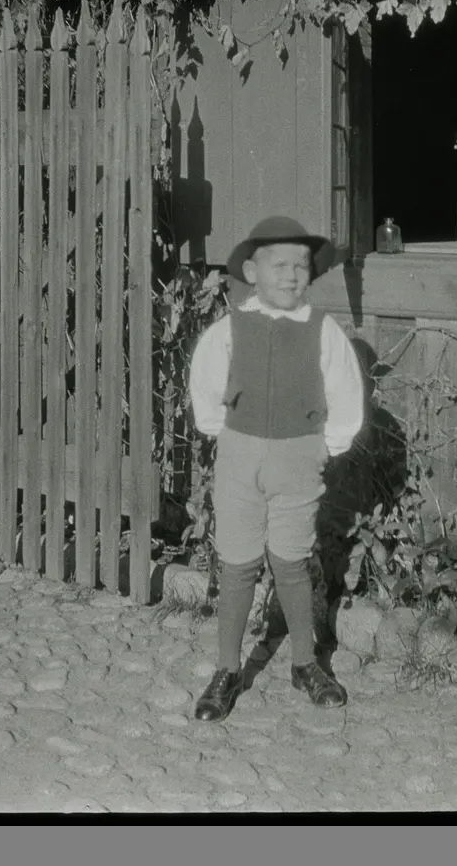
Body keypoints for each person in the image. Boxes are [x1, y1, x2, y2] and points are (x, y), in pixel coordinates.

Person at [188, 216, 365, 722]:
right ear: (252, 270)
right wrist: (225, 433)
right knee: (238, 563)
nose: (291, 275)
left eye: (301, 266)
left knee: (292, 560)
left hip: (298, 460)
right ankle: (227, 669)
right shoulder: (229, 329)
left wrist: (327, 445)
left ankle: (305, 663)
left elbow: (344, 390)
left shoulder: (321, 330)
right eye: (279, 265)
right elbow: (207, 383)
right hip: (239, 460)